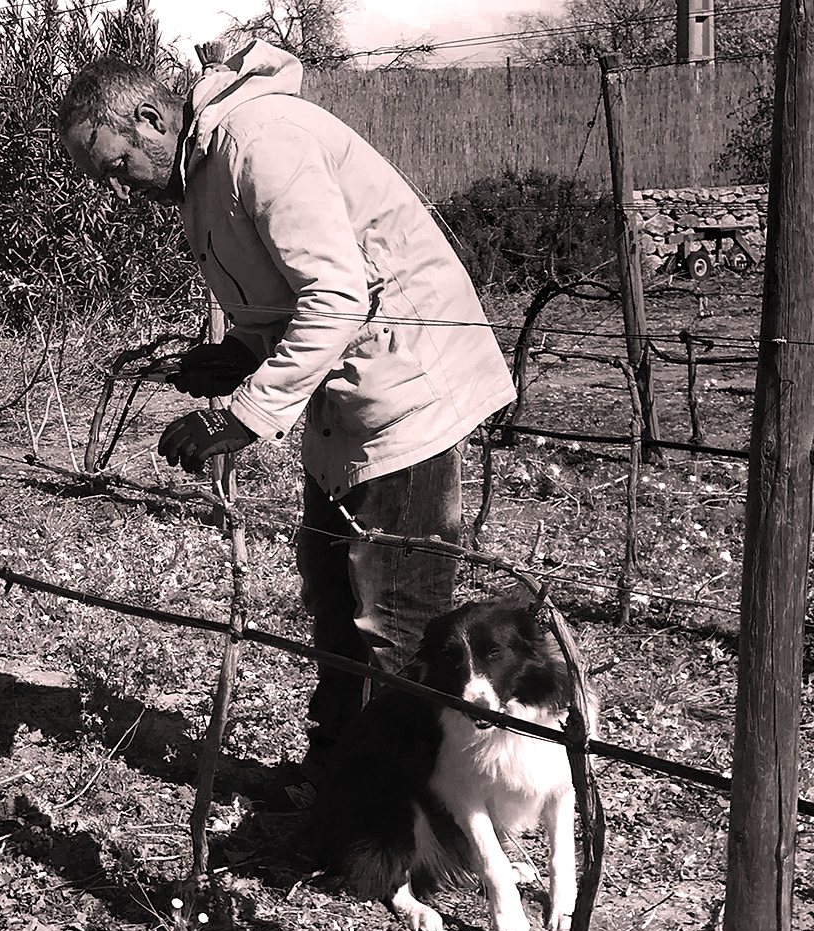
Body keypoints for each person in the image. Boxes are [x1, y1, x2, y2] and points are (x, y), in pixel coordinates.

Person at [56, 41, 516, 785]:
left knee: (395, 622)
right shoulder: (204, 174)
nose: (117, 191)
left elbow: (336, 296)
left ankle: (398, 815)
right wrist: (239, 354)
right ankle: (335, 777)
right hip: (347, 400)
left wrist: (240, 415)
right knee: (333, 597)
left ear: (150, 118)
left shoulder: (260, 143)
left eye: (115, 167)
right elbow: (289, 296)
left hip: (407, 396)